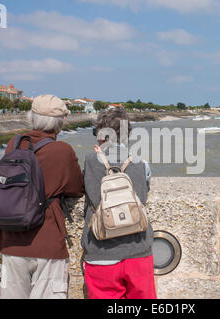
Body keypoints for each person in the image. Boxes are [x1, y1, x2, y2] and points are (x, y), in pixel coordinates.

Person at [0, 94, 84, 299]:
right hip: (47, 241)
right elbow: (77, 188)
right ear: (60, 123)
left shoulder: (13, 144)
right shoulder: (62, 150)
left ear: (31, 118)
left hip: (10, 241)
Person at [81, 108, 156, 299]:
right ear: (127, 134)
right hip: (138, 251)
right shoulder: (141, 163)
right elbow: (144, 192)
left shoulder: (90, 161)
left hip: (100, 252)